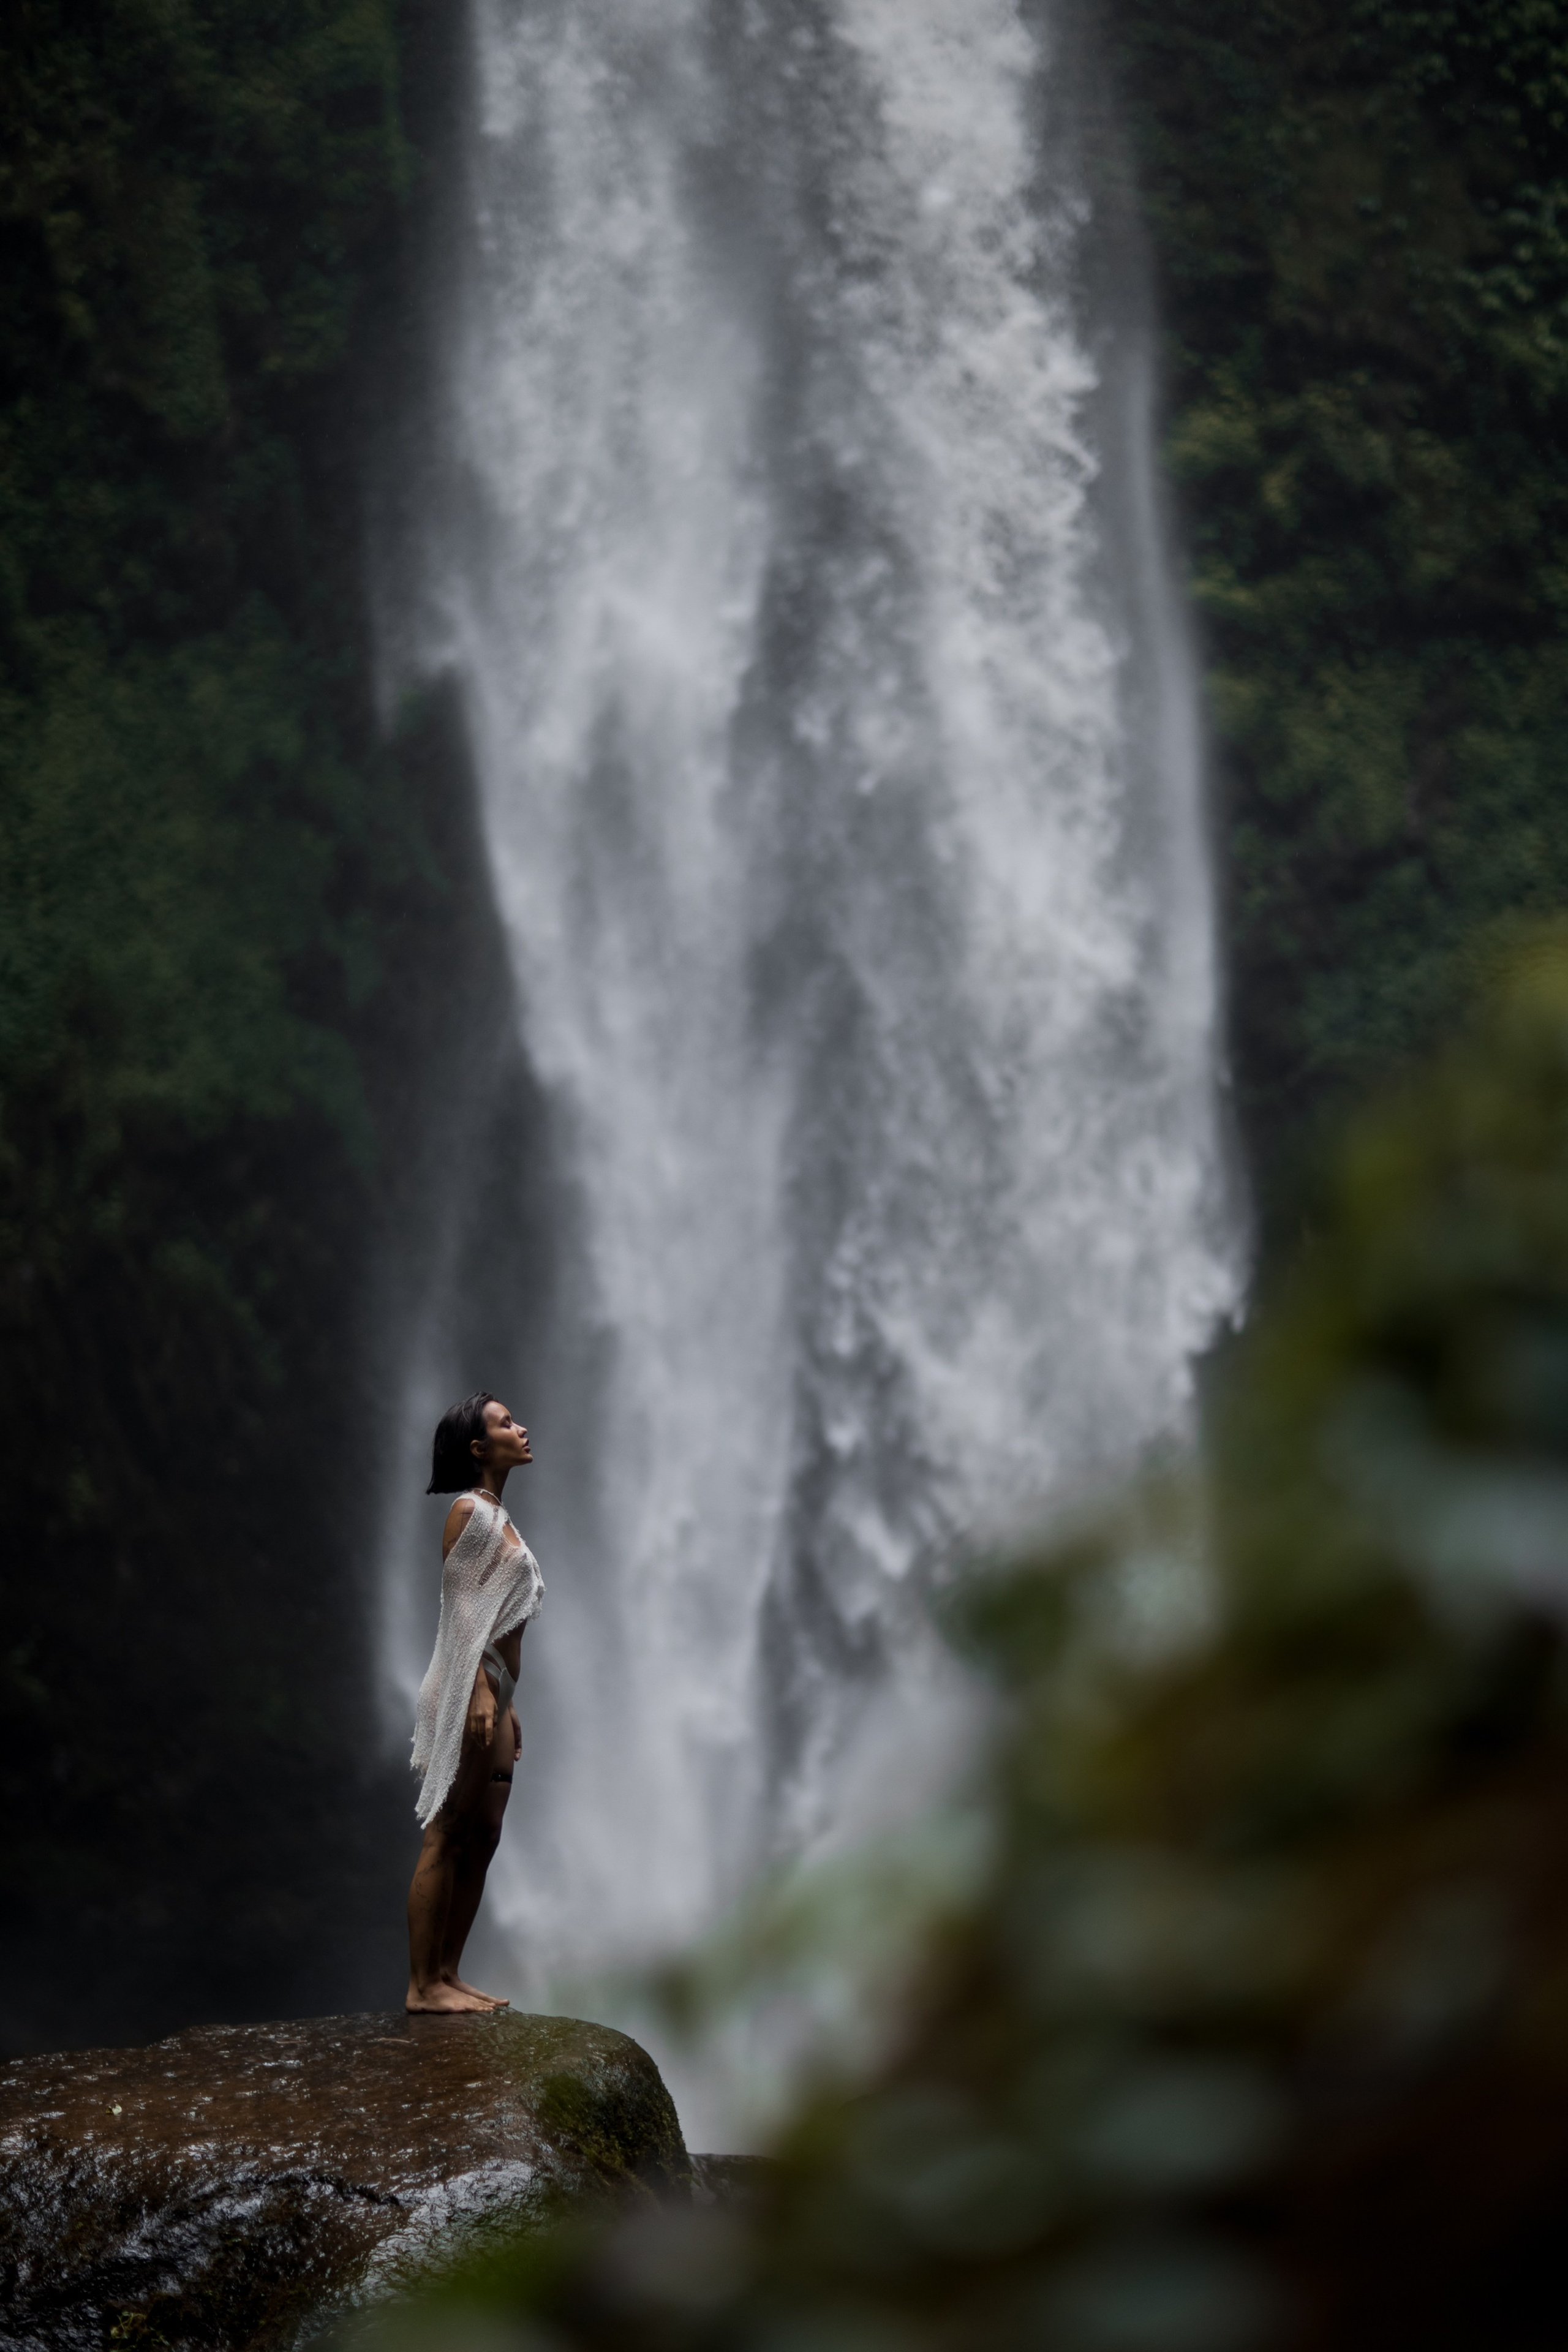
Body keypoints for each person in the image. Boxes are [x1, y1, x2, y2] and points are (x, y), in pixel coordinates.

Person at [406, 1391, 545, 2013]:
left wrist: (506, 1702)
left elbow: (497, 1619)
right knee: (446, 1832)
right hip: (468, 1687)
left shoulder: (499, 1517)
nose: (521, 1428)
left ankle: (450, 1973)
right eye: (505, 1423)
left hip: (494, 1694)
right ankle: (423, 1986)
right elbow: (461, 1612)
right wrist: (482, 1692)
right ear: (477, 1448)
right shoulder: (469, 1511)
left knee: (483, 1834)